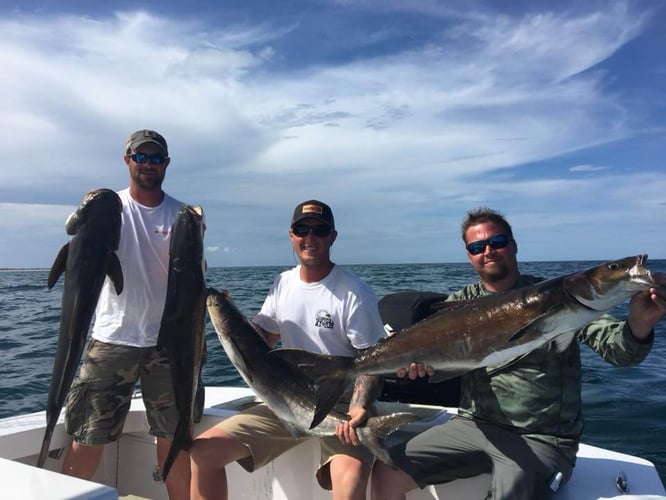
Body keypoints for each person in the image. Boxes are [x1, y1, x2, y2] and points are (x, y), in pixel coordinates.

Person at [371, 206, 666, 500]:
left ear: (513, 246)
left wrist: (639, 324)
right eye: (477, 246)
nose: (488, 251)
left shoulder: (555, 297)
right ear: (469, 255)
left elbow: (621, 353)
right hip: (473, 424)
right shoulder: (460, 303)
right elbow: (429, 354)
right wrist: (411, 367)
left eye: (497, 242)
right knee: (385, 474)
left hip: (542, 438)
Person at [190, 200, 386, 500]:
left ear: (332, 237)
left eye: (319, 230)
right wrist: (228, 314)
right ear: (291, 236)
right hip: (284, 399)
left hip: (340, 407)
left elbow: (371, 361)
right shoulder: (283, 283)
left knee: (349, 487)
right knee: (203, 452)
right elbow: (263, 338)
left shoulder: (354, 292)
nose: (310, 237)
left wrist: (359, 407)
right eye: (301, 230)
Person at [61, 129, 192, 500]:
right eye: (141, 157)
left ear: (165, 163)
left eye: (155, 158)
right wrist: (83, 209)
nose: (148, 164)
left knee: (174, 436)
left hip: (168, 346)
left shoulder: (182, 216)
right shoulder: (106, 207)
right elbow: (75, 236)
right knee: (88, 434)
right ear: (127, 161)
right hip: (112, 339)